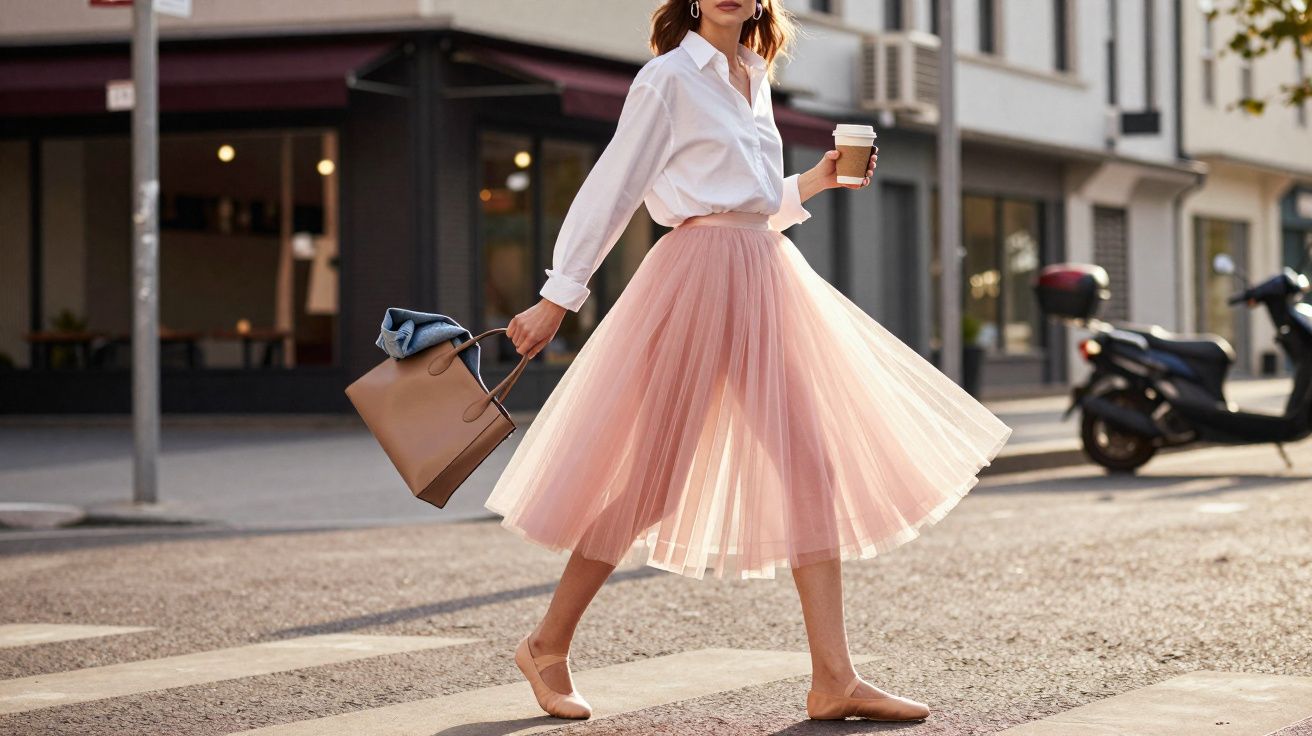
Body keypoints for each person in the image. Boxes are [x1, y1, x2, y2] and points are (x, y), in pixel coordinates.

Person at [484, 0, 1012, 723]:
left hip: (764, 274)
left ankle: (834, 678)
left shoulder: (754, 73)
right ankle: (546, 646)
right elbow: (614, 188)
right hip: (698, 280)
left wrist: (817, 180)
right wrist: (558, 296)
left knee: (810, 469)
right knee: (652, 485)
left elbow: (752, 202)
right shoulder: (668, 78)